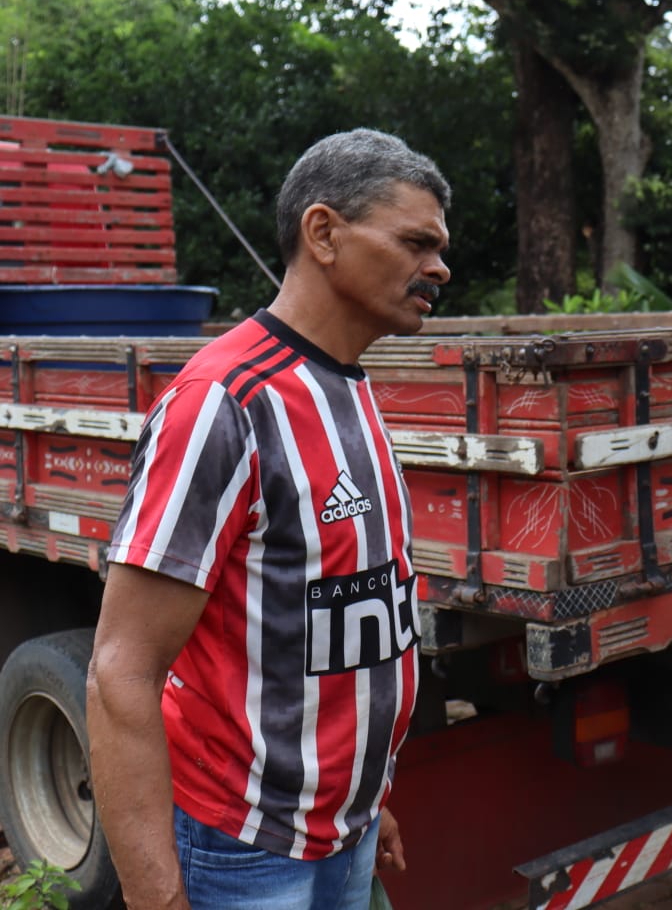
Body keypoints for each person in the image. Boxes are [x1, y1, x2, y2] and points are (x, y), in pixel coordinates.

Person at [86, 128, 452, 910]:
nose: (439, 269)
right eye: (416, 242)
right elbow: (122, 670)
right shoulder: (225, 404)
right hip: (241, 851)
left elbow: (350, 620)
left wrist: (364, 802)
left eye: (440, 247)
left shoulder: (348, 387)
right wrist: (157, 899)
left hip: (341, 838)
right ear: (323, 233)